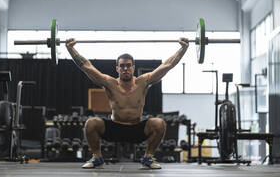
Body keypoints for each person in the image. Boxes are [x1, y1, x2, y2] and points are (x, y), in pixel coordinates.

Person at [66, 38, 189, 169]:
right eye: (122, 66)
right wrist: (71, 49)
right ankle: (97, 157)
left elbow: (167, 65)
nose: (125, 68)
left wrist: (183, 49)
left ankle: (148, 158)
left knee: (159, 123)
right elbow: (86, 67)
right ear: (117, 68)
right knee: (91, 123)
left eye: (128, 65)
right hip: (115, 128)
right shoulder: (109, 83)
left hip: (137, 128)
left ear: (133, 67)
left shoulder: (143, 82)